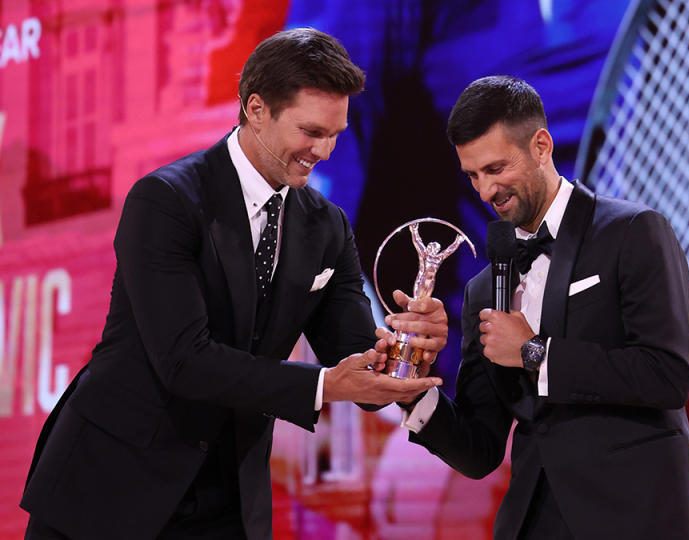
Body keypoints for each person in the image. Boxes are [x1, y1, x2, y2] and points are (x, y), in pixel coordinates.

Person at [20, 28, 446, 540]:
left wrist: (407, 349)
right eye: (311, 131)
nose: (325, 151)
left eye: (336, 133)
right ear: (256, 108)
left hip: (230, 501)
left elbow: (359, 370)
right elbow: (184, 360)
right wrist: (322, 384)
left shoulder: (327, 226)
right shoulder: (165, 201)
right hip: (109, 489)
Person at [399, 76, 689, 539]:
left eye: (497, 168)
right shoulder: (484, 290)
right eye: (473, 175)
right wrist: (414, 391)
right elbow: (481, 449)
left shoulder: (633, 232)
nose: (486, 191)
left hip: (636, 514)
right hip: (534, 521)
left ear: (541, 146)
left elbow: (667, 375)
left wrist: (534, 353)